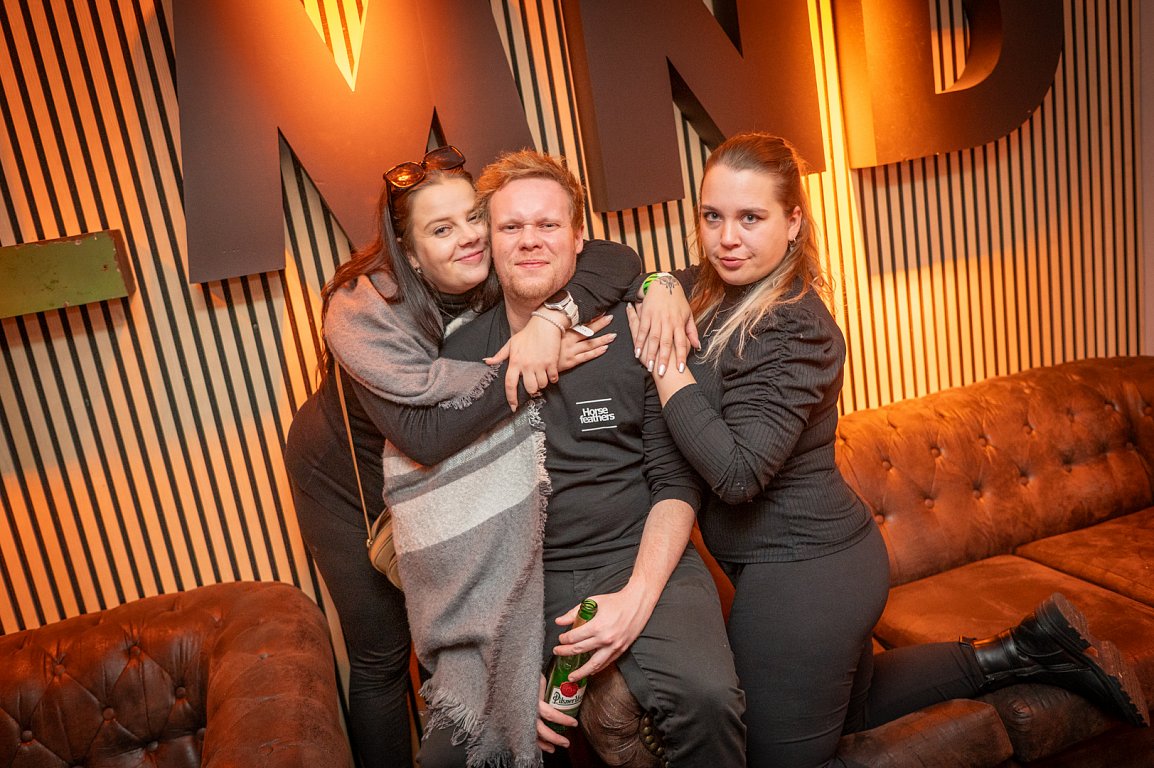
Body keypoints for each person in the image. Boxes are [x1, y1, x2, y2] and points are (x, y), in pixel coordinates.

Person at [629, 131, 1150, 767]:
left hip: (809, 571)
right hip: (797, 562)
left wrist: (666, 365)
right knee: (852, 710)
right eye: (712, 217)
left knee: (772, 755)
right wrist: (658, 281)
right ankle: (1022, 651)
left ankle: (1025, 654)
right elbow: (620, 270)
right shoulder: (713, 289)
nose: (726, 238)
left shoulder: (796, 327)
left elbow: (737, 476)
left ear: (793, 223)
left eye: (751, 218)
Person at [374, 149, 746, 767]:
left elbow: (675, 482)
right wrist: (506, 676)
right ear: (489, 243)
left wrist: (636, 599)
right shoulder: (457, 360)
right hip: (519, 578)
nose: (529, 240)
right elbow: (441, 529)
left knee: (707, 699)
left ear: (578, 239)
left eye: (547, 224)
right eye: (510, 226)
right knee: (453, 756)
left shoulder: (636, 328)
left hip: (634, 554)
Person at [284, 144, 645, 768]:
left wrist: (554, 320)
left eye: (474, 217)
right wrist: (538, 364)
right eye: (441, 229)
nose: (471, 237)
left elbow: (615, 259)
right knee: (382, 652)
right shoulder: (363, 312)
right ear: (410, 253)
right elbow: (424, 436)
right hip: (348, 475)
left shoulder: (495, 267)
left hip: (446, 459)